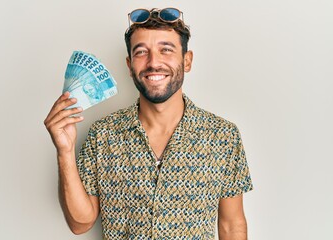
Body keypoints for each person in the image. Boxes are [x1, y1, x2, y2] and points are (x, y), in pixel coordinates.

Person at [44, 7, 253, 240]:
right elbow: (80, 224)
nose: (154, 63)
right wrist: (64, 151)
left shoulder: (223, 136)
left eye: (166, 50)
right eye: (142, 52)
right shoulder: (102, 135)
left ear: (187, 60)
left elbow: (231, 224)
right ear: (130, 65)